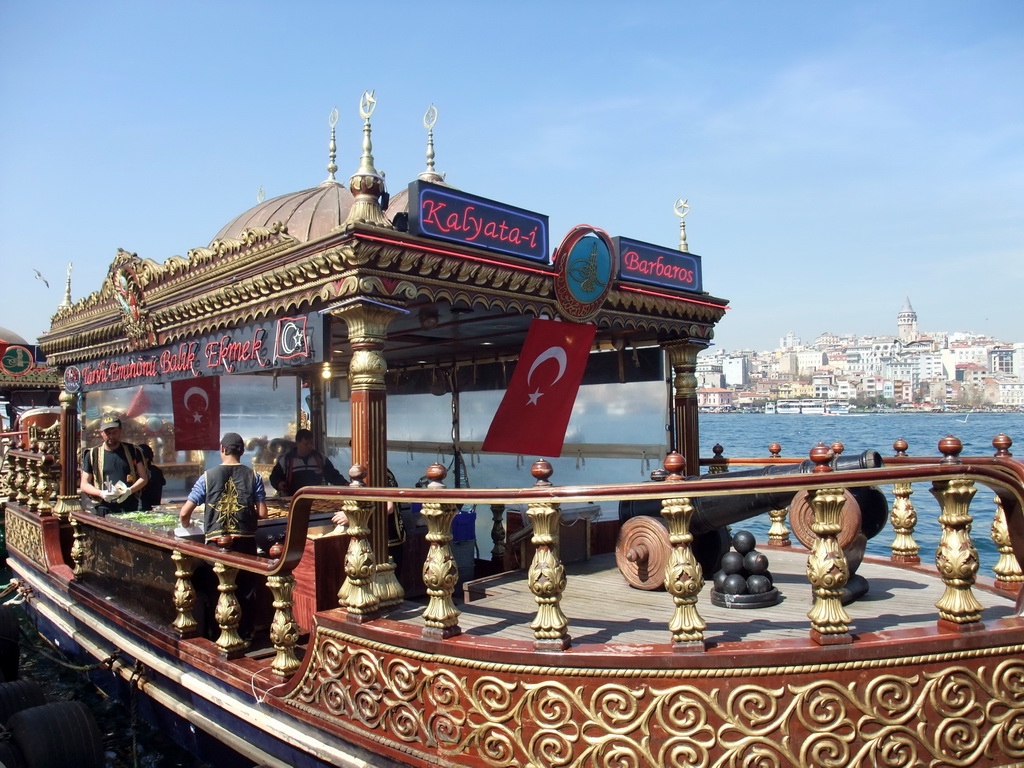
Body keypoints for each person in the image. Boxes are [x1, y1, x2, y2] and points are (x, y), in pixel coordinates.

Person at [179, 432, 268, 553]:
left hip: (216, 544)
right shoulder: (254, 477)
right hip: (245, 545)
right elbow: (262, 514)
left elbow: (184, 513)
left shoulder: (206, 477)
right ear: (242, 452)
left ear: (222, 449)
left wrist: (187, 526)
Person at [79, 414, 148, 516]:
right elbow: (84, 484)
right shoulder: (93, 454)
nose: (111, 436)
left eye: (114, 432)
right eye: (108, 433)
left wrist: (129, 491)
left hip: (129, 505)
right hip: (104, 506)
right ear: (101, 433)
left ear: (120, 430)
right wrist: (101, 493)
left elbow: (143, 478)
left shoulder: (133, 450)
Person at [269, 428, 345, 495]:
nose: (309, 446)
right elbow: (274, 477)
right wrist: (279, 483)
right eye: (306, 444)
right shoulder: (286, 460)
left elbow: (332, 475)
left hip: (316, 498)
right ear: (297, 443)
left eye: (311, 443)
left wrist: (345, 484)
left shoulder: (319, 458)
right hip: (293, 498)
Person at [138, 443, 166, 510]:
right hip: (155, 507)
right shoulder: (157, 470)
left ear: (146, 459)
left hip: (144, 508)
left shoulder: (146, 473)